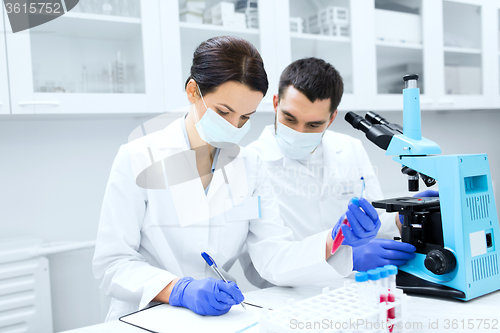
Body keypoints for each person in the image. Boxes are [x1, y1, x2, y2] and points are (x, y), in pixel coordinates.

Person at [92, 37, 381, 321]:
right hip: (145, 316)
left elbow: (272, 257)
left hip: (219, 318)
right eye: (223, 112)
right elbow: (112, 264)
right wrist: (178, 289)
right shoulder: (139, 156)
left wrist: (334, 240)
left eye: (245, 117)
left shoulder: (250, 166)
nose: (233, 127)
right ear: (193, 91)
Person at [243, 58, 417, 287]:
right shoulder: (249, 163)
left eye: (313, 125)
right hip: (287, 297)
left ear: (332, 117)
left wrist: (399, 218)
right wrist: (344, 255)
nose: (298, 131)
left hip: (354, 289)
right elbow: (268, 262)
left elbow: (372, 221)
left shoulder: (350, 148)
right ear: (276, 103)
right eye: (289, 118)